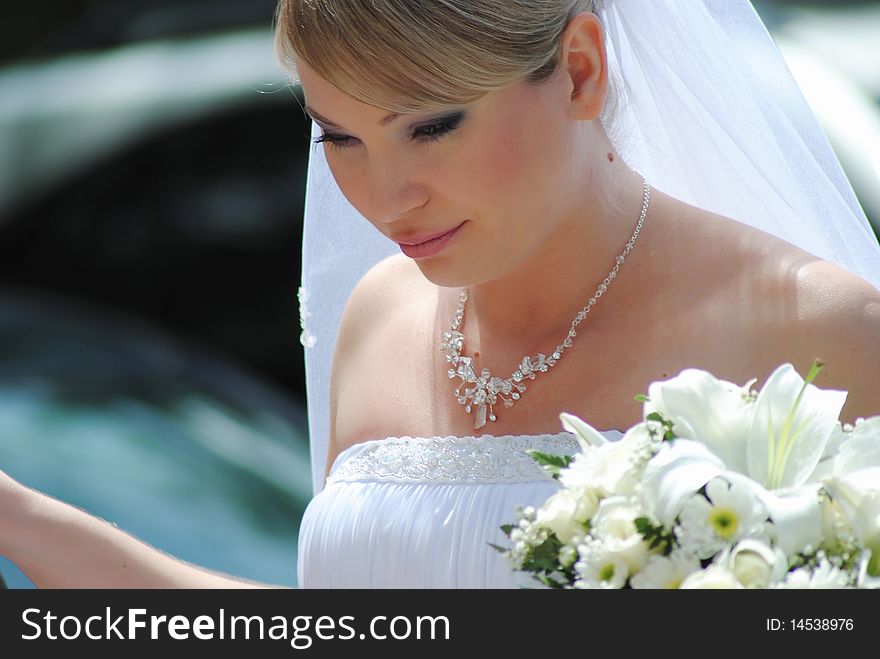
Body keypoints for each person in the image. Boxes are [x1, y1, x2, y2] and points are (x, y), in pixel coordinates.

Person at [1, 0, 879, 589]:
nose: (386, 199)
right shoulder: (379, 318)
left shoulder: (821, 333)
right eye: (340, 138)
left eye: (431, 125)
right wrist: (19, 515)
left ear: (578, 69)